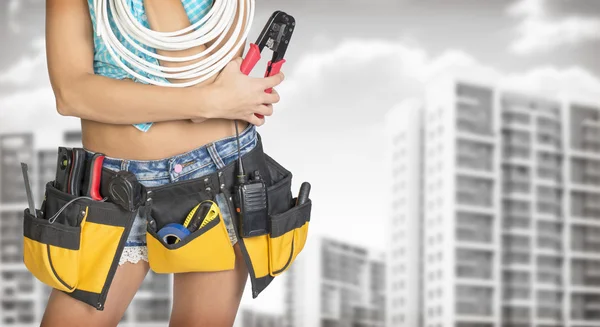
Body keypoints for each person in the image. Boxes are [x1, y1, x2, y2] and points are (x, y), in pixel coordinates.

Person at [43, 1, 284, 326]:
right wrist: (210, 103)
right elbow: (71, 94)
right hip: (112, 185)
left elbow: (194, 76)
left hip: (216, 174)